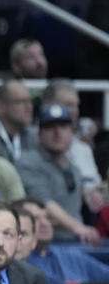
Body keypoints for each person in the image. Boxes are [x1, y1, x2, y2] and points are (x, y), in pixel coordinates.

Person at [18, 104, 102, 246]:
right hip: (47, 243)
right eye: (50, 127)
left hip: (77, 241)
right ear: (39, 133)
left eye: (63, 126)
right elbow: (46, 204)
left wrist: (91, 194)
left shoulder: (72, 165)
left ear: (71, 132)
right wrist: (79, 228)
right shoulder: (28, 162)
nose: (58, 133)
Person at [16, 198, 109, 284]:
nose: (45, 223)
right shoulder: (19, 263)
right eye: (35, 219)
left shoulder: (68, 254)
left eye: (46, 217)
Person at [0, 80, 37, 167]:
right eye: (21, 102)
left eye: (30, 101)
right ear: (0, 107)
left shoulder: (34, 135)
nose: (29, 107)